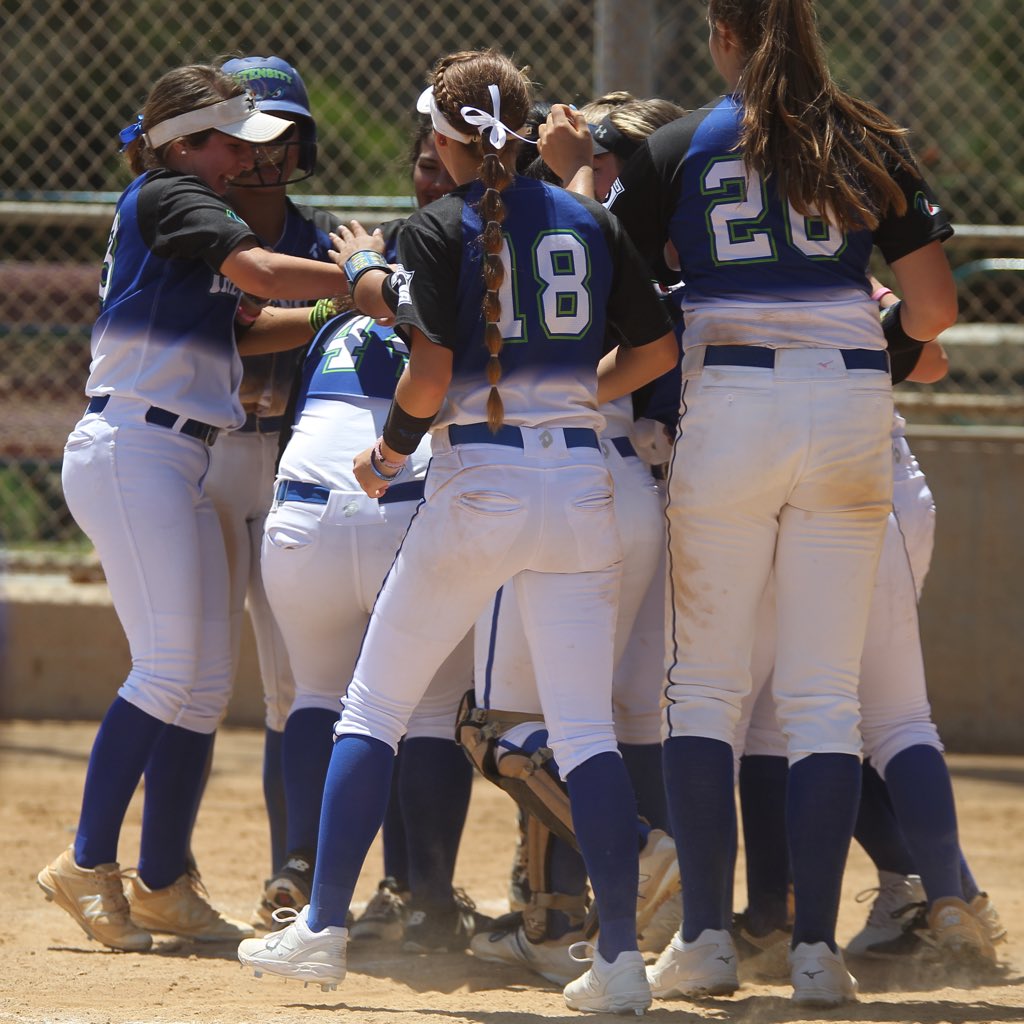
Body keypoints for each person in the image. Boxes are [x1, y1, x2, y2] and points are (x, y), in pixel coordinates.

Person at [237, 48, 677, 1015]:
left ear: (444, 136)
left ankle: (322, 929)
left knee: (373, 707)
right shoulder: (587, 215)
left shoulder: (440, 226)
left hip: (482, 485)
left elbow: (428, 382)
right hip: (581, 487)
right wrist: (566, 398)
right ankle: (620, 963)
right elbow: (655, 345)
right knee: (586, 728)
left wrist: (391, 455)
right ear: (519, 131)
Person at [540, 0, 957, 1007]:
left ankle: (708, 940)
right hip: (852, 396)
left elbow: (602, 281)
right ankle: (815, 952)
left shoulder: (683, 141)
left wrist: (565, 181)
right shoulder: (864, 138)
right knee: (821, 695)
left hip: (726, 393)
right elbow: (936, 312)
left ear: (723, 36)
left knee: (706, 690)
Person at [37, 63, 357, 952]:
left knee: (205, 683)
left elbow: (246, 325)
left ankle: (165, 885)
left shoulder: (184, 200)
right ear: (185, 144)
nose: (240, 159)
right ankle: (84, 862)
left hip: (173, 450)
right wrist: (359, 279)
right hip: (135, 446)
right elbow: (258, 270)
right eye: (227, 142)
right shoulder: (171, 192)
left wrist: (358, 309)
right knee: (169, 669)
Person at [256, 114, 487, 953]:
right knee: (425, 711)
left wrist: (348, 274)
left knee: (320, 697)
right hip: (401, 501)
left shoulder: (342, 313)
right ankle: (425, 902)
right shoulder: (469, 269)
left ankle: (303, 880)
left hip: (304, 512)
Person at [178, 54, 342, 922]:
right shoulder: (196, 226)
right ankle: (168, 864)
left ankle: (294, 870)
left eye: (285, 133)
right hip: (204, 460)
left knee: (292, 682)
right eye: (253, 133)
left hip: (285, 467)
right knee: (189, 675)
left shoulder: (321, 241)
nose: (267, 152)